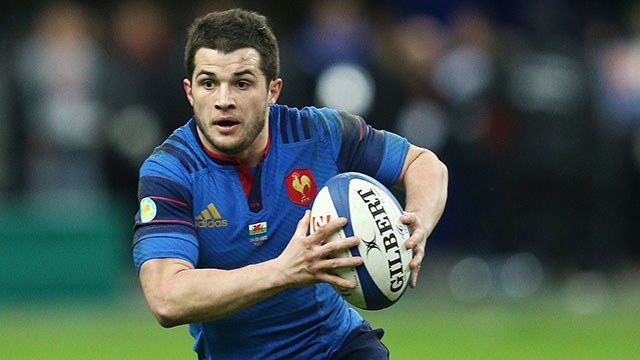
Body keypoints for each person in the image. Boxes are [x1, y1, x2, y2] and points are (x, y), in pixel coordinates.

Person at [132, 8, 448, 359]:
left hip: (336, 347)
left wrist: (418, 218)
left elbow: (423, 163)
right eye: (209, 83)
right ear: (190, 92)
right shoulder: (171, 172)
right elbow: (166, 298)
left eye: (242, 83)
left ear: (273, 90)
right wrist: (284, 271)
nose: (223, 100)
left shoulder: (319, 133)